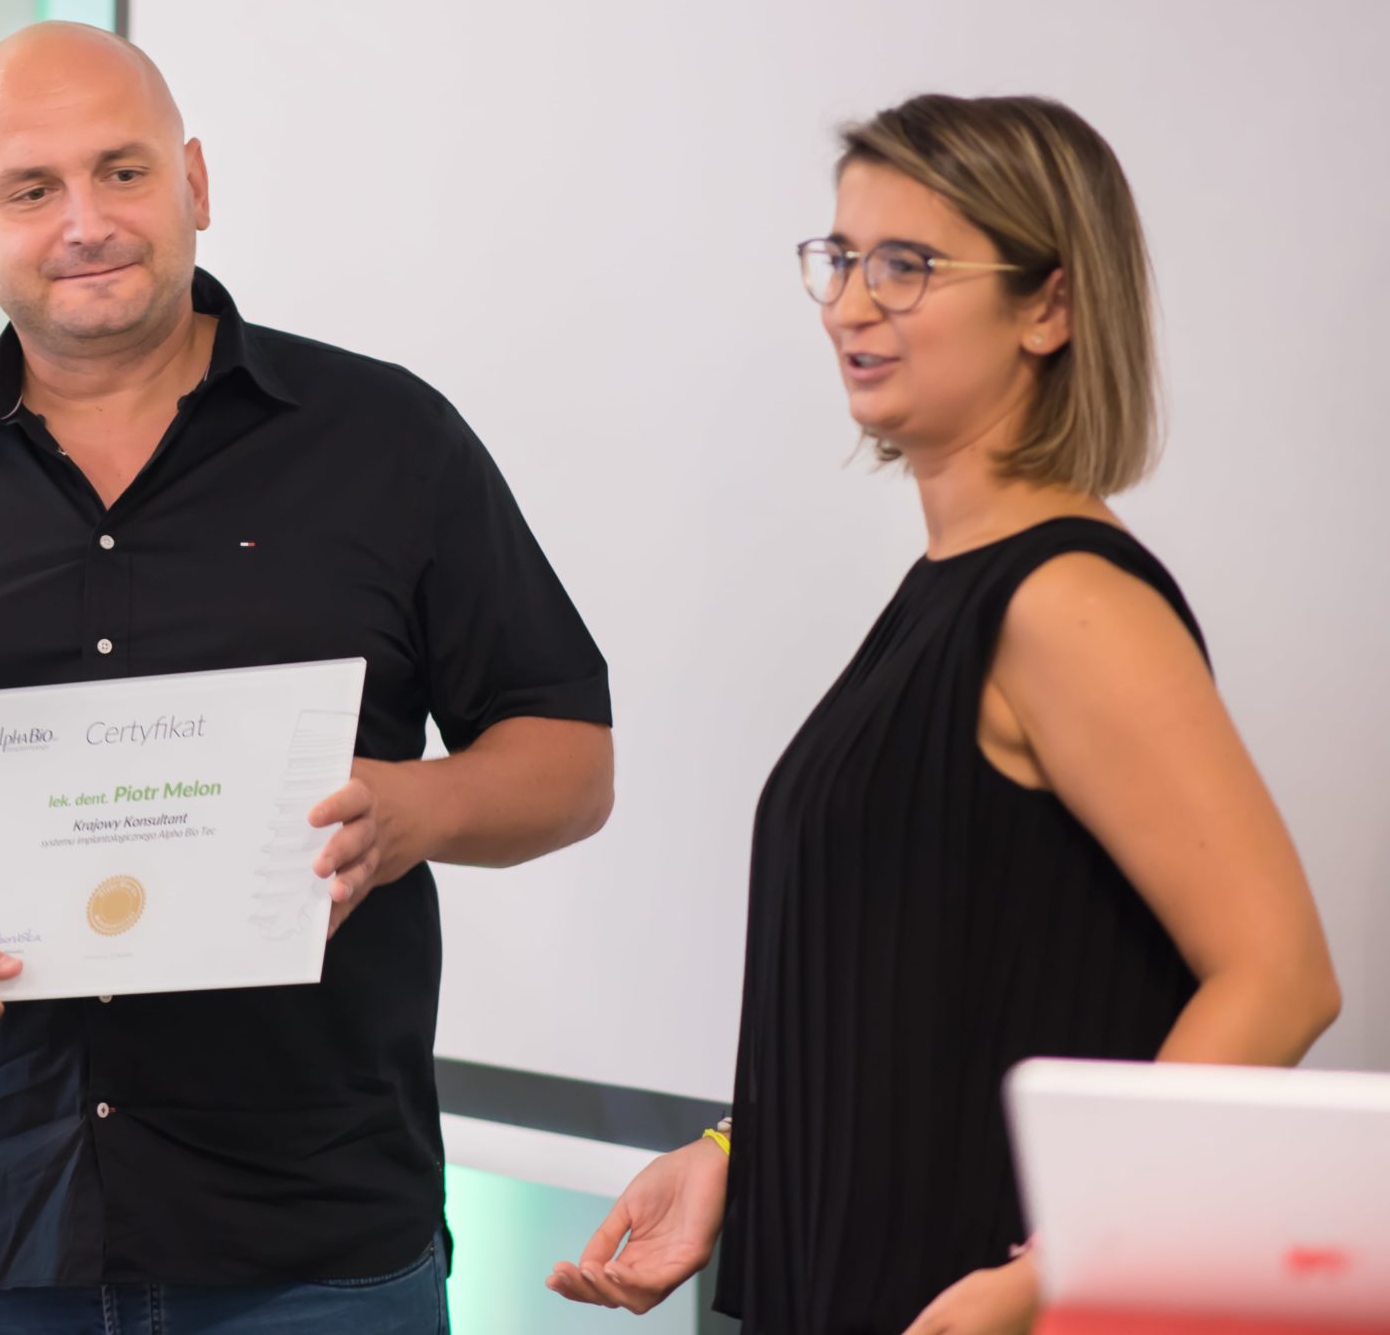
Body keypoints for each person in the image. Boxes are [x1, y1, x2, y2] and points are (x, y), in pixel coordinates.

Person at [0, 21, 615, 1334]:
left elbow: (568, 754)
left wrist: (415, 808)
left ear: (194, 183)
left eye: (123, 171)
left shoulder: (388, 439)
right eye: (30, 189)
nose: (87, 221)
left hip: (317, 1239)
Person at [547, 94, 1340, 1334]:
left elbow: (1280, 976)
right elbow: (916, 993)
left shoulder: (1064, 601)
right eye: (841, 257)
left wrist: (1056, 1267)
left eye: (907, 265)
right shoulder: (947, 587)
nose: (850, 304)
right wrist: (736, 1147)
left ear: (1047, 307)